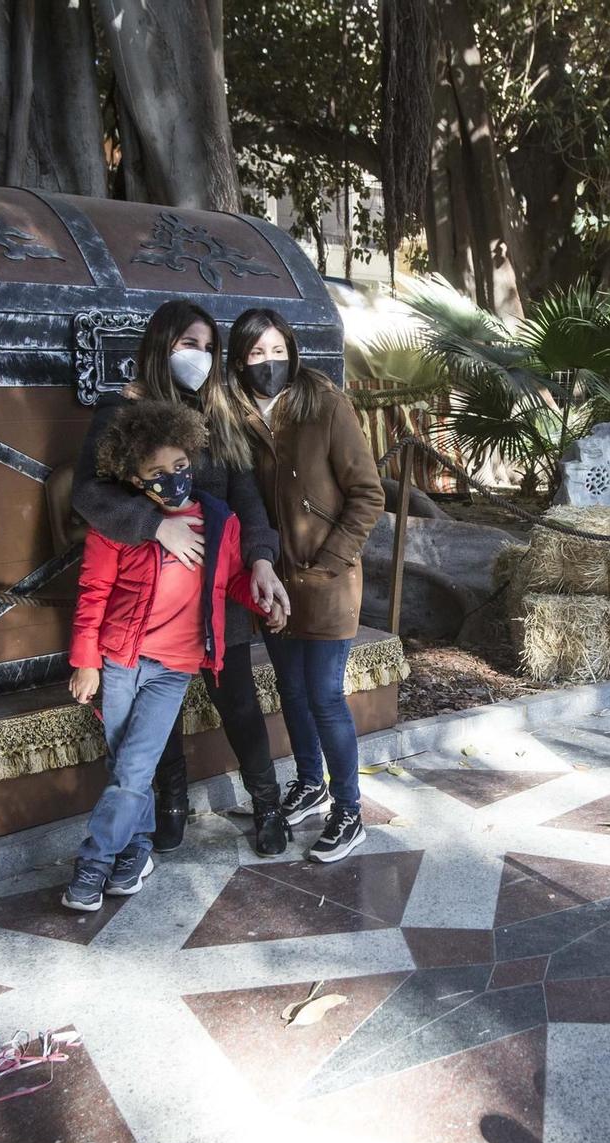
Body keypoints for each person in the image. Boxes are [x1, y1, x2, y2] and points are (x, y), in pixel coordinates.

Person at [70, 300, 293, 857]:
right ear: (160, 347)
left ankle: (267, 804)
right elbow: (89, 494)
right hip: (152, 596)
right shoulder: (122, 414)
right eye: (187, 345)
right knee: (156, 714)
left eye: (208, 348)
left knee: (237, 699)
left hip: (219, 590)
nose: (200, 357)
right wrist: (154, 526)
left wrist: (262, 558)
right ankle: (170, 804)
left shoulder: (220, 415)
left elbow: (247, 498)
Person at [62, 400, 283, 912]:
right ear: (135, 480)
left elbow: (227, 579)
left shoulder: (218, 519)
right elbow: (93, 592)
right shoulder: (120, 525)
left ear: (193, 458)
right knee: (127, 767)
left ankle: (92, 865)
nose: (171, 480)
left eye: (179, 467)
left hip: (175, 668)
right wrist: (86, 660)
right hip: (121, 659)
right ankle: (134, 854)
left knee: (135, 767)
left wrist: (262, 597)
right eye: (156, 474)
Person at [224, 308, 385, 863]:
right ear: (239, 361)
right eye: (255, 354)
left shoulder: (325, 405)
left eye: (276, 351)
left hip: (327, 581)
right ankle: (311, 783)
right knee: (290, 691)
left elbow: (368, 494)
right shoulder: (236, 417)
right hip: (273, 582)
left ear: (291, 351)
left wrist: (330, 560)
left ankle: (349, 809)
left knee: (324, 695)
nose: (268, 364)